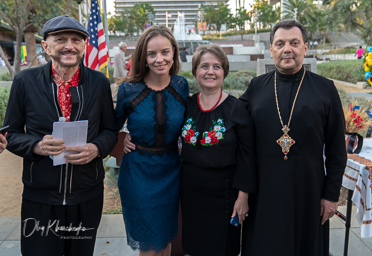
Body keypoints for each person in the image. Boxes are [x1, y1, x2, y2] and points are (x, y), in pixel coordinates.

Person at [3, 15, 118, 256]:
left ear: (84, 46)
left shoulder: (98, 82)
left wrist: (96, 149)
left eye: (76, 39)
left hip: (86, 196)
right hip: (40, 197)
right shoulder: (25, 81)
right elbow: (10, 134)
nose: (69, 45)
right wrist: (36, 145)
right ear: (46, 45)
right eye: (60, 39)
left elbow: (110, 131)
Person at [240, 20, 347, 256]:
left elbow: (337, 149)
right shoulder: (257, 87)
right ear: (271, 50)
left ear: (305, 48)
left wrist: (331, 195)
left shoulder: (325, 89)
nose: (287, 49)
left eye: (294, 43)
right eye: (280, 43)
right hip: (265, 192)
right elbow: (232, 123)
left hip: (308, 192)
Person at [114, 25, 189, 255]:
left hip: (170, 171)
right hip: (138, 173)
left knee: (166, 238)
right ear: (143, 57)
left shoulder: (181, 85)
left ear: (174, 53)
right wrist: (123, 137)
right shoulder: (128, 89)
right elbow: (110, 127)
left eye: (165, 52)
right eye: (152, 54)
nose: (159, 59)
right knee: (148, 245)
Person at [179, 44, 256, 255]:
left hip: (225, 194)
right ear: (195, 72)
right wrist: (132, 138)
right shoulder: (186, 105)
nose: (210, 72)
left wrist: (243, 197)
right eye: (204, 66)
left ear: (224, 72)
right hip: (191, 192)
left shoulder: (236, 108)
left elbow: (247, 155)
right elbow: (162, 130)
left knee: (223, 248)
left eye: (217, 66)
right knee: (194, 246)